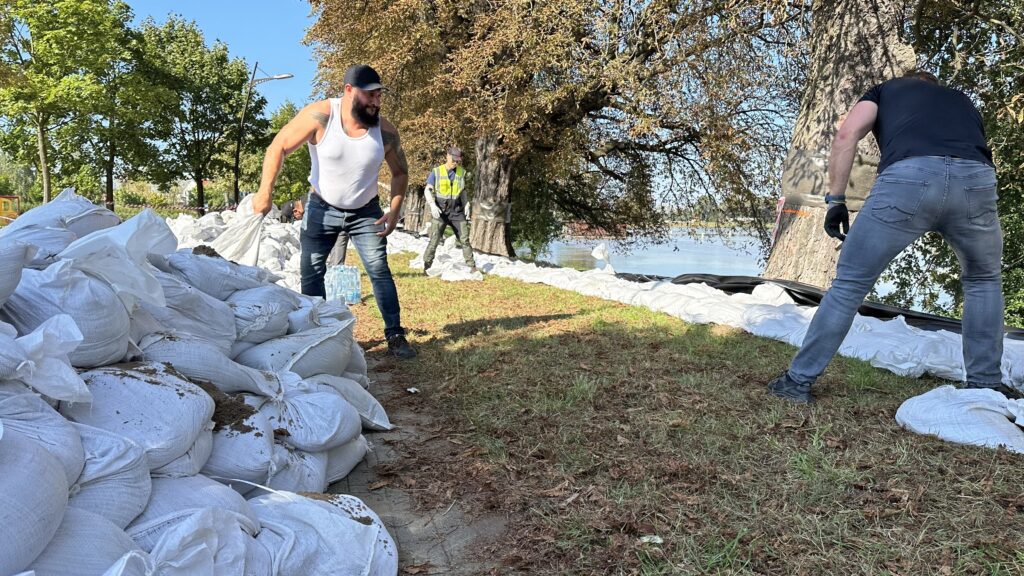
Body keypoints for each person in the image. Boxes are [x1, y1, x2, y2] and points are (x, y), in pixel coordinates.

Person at [768, 69, 1011, 403]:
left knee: (850, 283)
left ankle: (797, 382)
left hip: (908, 181)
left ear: (908, 82)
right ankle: (986, 385)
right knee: (984, 280)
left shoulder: (885, 91)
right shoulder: (960, 99)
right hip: (975, 182)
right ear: (933, 86)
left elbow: (846, 136)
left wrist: (836, 200)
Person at [253, 64, 416, 359]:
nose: (376, 102)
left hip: (366, 212)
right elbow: (278, 146)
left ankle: (395, 334)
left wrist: (394, 209)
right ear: (349, 90)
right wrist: (266, 191)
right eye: (370, 96)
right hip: (321, 207)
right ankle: (316, 334)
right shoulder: (321, 116)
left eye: (379, 95)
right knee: (312, 273)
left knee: (379, 271)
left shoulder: (386, 132)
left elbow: (400, 173)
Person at [422, 146, 477, 273]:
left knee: (464, 239)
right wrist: (432, 204)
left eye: (458, 161)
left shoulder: (461, 172)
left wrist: (466, 204)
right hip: (440, 211)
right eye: (453, 160)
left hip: (457, 211)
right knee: (435, 239)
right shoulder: (436, 172)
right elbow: (427, 189)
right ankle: (427, 265)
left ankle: (472, 267)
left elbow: (462, 191)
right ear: (447, 156)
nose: (455, 163)